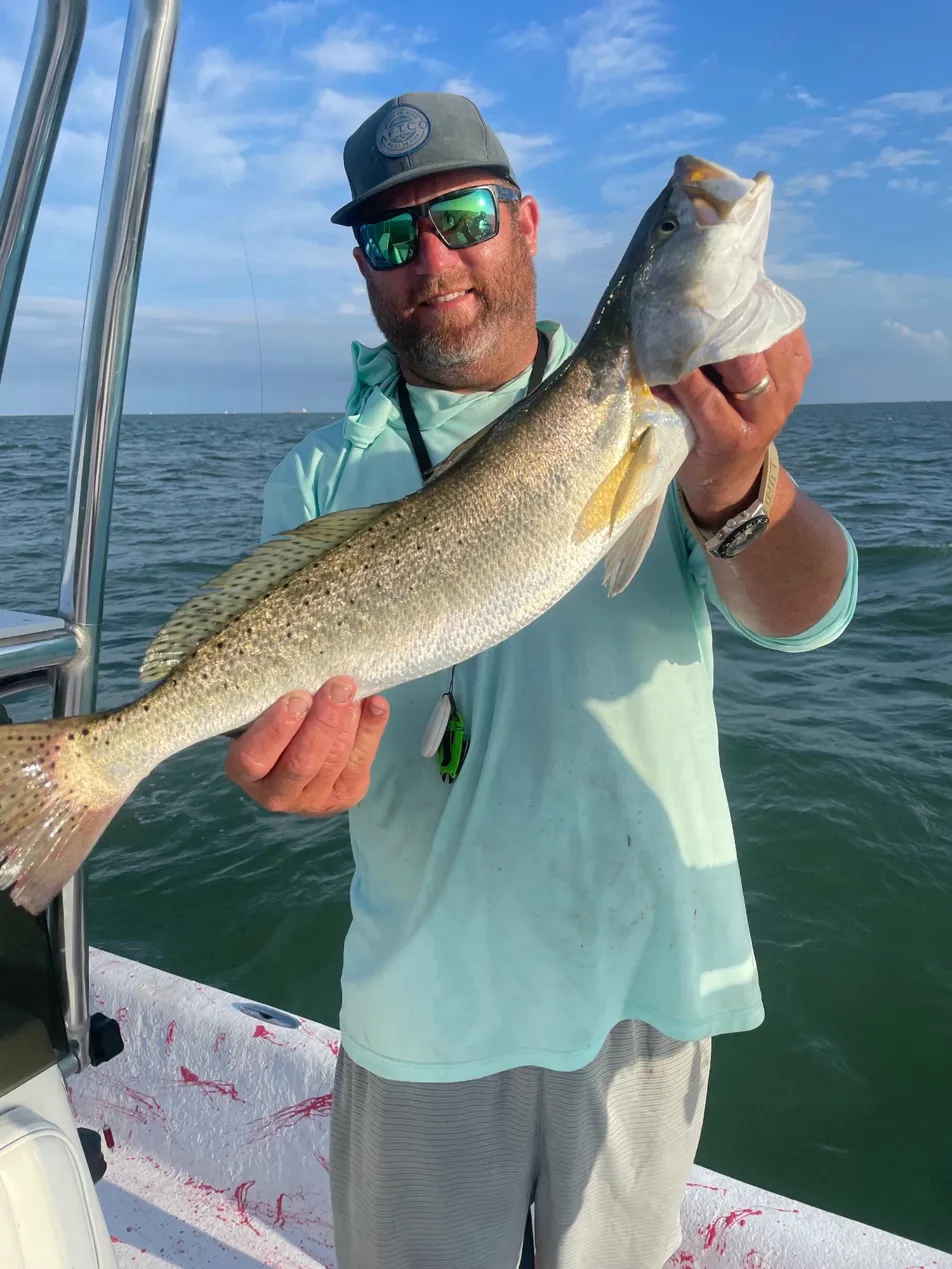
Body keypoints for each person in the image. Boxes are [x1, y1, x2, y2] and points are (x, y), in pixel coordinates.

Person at [225, 93, 858, 1269]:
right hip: (421, 1009)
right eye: (388, 238)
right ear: (364, 269)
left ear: (522, 222)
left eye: (461, 215)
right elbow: (270, 740)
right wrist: (279, 783)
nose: (432, 260)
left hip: (641, 988)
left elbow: (805, 613)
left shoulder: (678, 414)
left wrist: (738, 481)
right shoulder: (316, 474)